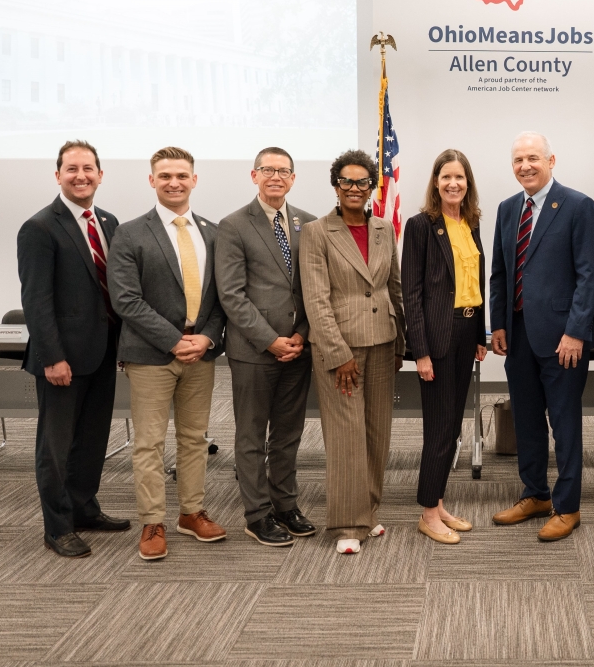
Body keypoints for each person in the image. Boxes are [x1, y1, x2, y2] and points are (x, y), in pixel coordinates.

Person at [106, 147, 227, 561]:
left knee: (195, 438)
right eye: (165, 176)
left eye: (181, 175)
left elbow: (222, 298)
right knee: (150, 443)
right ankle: (152, 521)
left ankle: (191, 512)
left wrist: (207, 338)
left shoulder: (214, 233)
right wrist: (175, 340)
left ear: (194, 180)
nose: (174, 182)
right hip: (150, 354)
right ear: (152, 181)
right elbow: (126, 299)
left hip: (201, 354)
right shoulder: (129, 233)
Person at [17, 140, 131, 558]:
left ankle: (84, 508)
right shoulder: (39, 227)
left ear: (100, 175)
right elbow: (36, 299)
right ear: (58, 175)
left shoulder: (109, 221)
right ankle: (58, 527)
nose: (80, 176)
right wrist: (52, 357)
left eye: (88, 168)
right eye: (71, 169)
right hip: (62, 359)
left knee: (92, 439)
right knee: (56, 446)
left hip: (102, 353)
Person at [490, 131, 594, 542]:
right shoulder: (507, 209)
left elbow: (589, 275)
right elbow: (500, 272)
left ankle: (567, 506)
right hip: (518, 336)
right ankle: (535, 494)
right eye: (518, 160)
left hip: (563, 340)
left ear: (551, 161)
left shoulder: (578, 205)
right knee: (526, 420)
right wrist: (498, 324)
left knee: (565, 425)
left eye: (533, 158)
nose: (525, 166)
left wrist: (576, 332)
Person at [301, 150, 406, 554]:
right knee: (346, 435)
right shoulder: (317, 232)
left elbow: (393, 286)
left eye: (363, 182)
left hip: (382, 341)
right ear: (336, 185)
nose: (354, 188)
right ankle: (347, 523)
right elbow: (316, 298)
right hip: (340, 348)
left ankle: (368, 511)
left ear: (371, 187)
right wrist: (337, 352)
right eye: (347, 181)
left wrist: (400, 343)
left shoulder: (383, 228)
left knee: (377, 432)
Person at [215, 147, 317, 548]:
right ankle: (257, 514)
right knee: (252, 436)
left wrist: (302, 334)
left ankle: (285, 505)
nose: (276, 177)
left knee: (288, 435)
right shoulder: (234, 225)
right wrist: (270, 341)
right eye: (268, 170)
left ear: (293, 178)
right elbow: (231, 295)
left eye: (283, 171)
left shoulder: (309, 223)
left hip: (298, 349)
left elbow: (315, 288)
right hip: (254, 351)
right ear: (254, 175)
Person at [401, 150, 487, 545]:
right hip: (437, 337)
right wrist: (420, 351)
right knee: (438, 429)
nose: (453, 184)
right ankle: (427, 514)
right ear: (436, 182)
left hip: (467, 331)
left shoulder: (471, 222)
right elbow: (412, 293)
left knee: (452, 425)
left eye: (460, 177)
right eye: (446, 177)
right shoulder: (421, 226)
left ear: (468, 183)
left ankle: (437, 504)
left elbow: (476, 282)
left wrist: (480, 335)